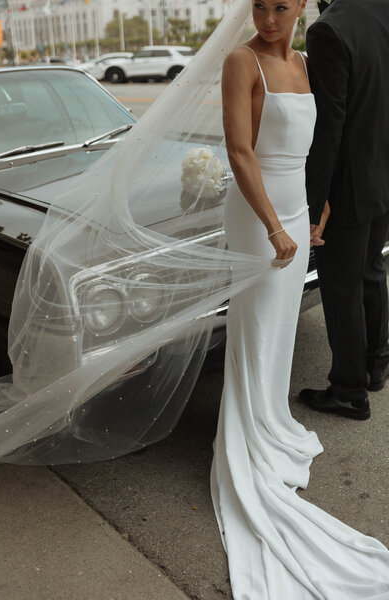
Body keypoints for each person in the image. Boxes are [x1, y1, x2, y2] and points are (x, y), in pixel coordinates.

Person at [210, 0, 389, 598]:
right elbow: (239, 151)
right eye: (259, 6)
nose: (267, 18)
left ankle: (271, 417)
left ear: (301, 8)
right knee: (257, 323)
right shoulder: (242, 61)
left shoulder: (311, 63)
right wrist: (274, 227)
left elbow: (320, 142)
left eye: (279, 7)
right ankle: (248, 430)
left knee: (283, 325)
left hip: (296, 209)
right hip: (259, 215)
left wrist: (318, 206)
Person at [300, 0, 389, 419]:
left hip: (350, 184)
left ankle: (350, 391)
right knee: (372, 269)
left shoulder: (327, 30)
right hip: (384, 175)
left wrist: (314, 203)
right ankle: (377, 363)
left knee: (341, 287)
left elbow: (328, 124)